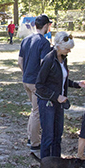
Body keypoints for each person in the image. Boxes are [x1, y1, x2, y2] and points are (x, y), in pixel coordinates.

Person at [35, 31, 85, 158]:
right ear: (57, 46)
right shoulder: (49, 60)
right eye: (67, 49)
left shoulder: (63, 59)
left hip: (59, 103)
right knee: (48, 136)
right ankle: (46, 167)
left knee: (57, 136)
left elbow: (61, 80)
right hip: (48, 102)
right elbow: (39, 85)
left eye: (70, 49)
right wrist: (56, 96)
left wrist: (77, 84)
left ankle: (56, 164)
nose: (69, 51)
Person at [18, 15, 53, 151]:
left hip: (26, 80)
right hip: (36, 83)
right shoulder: (44, 43)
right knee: (37, 112)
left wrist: (25, 73)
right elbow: (43, 64)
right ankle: (34, 143)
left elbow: (19, 62)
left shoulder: (25, 40)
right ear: (45, 26)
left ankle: (30, 136)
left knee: (34, 110)